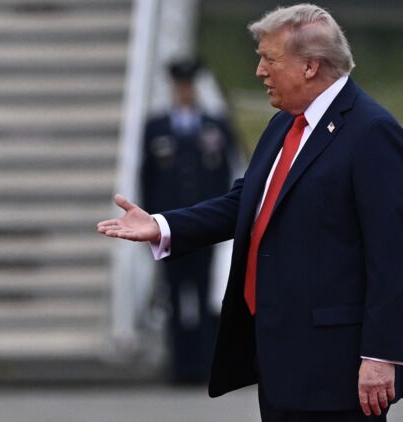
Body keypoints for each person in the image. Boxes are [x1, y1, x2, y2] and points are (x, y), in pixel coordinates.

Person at [99, 4, 402, 421]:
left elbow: (392, 253)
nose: (260, 71)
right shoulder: (284, 124)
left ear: (310, 66)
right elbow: (244, 202)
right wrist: (162, 225)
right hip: (279, 360)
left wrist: (382, 355)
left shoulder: (371, 131)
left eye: (269, 59)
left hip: (336, 368)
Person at [139, 58, 237, 384]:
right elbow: (148, 179)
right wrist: (151, 224)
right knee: (174, 295)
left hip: (204, 227)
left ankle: (206, 363)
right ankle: (180, 366)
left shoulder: (214, 125)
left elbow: (225, 175)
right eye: (179, 86)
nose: (184, 92)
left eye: (188, 86)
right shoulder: (157, 127)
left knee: (204, 292)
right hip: (168, 227)